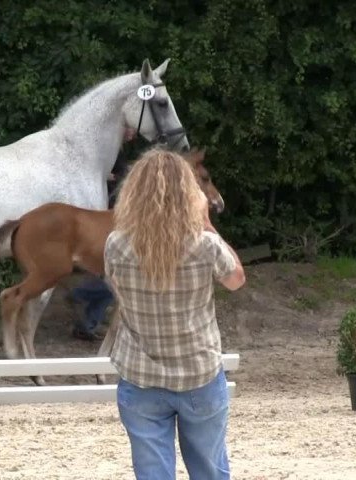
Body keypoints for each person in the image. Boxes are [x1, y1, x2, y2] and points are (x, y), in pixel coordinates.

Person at [104, 148, 245, 479]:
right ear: (189, 194)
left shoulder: (115, 244)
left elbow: (116, 289)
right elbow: (236, 279)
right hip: (199, 374)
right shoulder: (204, 245)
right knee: (210, 470)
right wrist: (207, 222)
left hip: (140, 378)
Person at [70, 131, 133, 341]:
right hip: (107, 216)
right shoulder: (107, 149)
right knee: (110, 280)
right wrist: (108, 176)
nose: (132, 133)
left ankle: (87, 322)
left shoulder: (118, 151)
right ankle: (80, 297)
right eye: (128, 129)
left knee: (109, 278)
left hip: (114, 214)